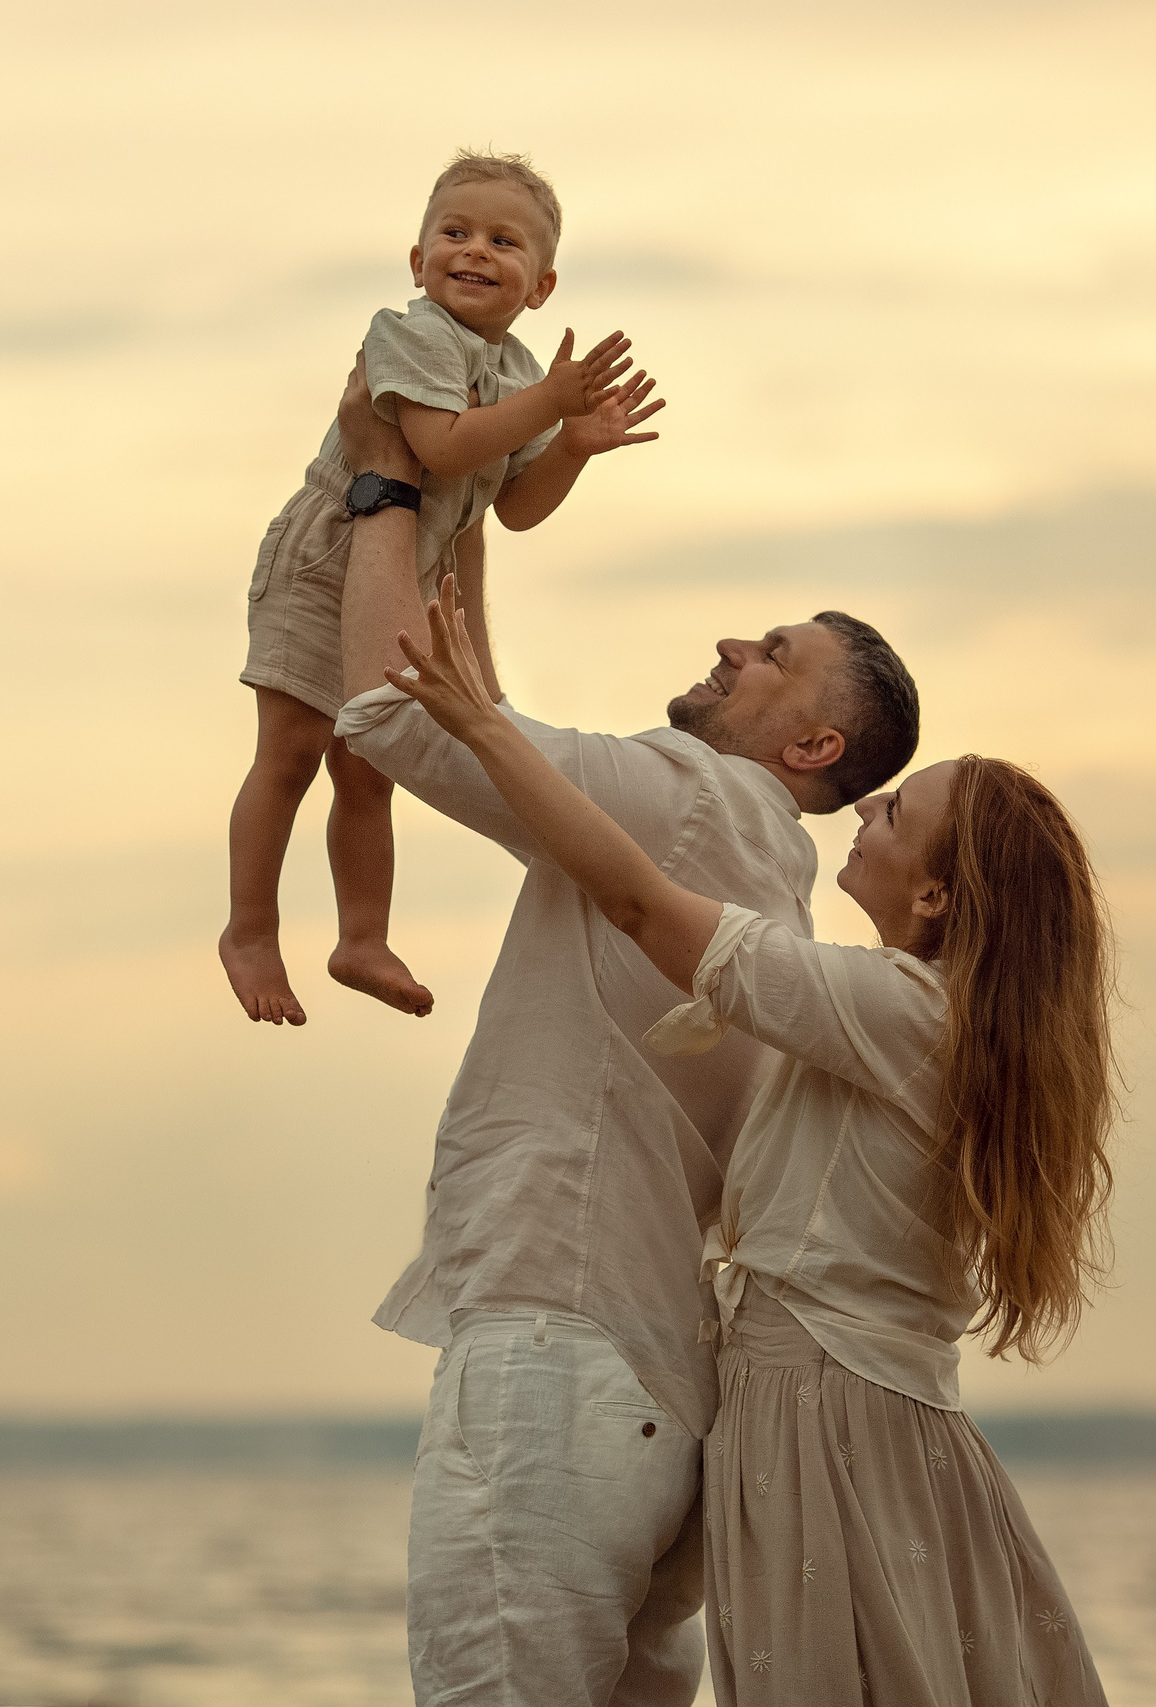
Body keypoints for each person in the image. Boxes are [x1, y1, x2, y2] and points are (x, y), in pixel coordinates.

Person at [381, 579, 1118, 1706]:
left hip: (819, 1412)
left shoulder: (894, 1010)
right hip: (781, 1399)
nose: (857, 821)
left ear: (930, 895)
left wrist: (483, 725)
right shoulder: (893, 1016)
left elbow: (636, 901)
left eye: (890, 815)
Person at [332, 368, 921, 1704]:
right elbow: (473, 691)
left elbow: (389, 706)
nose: (734, 645)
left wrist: (382, 480)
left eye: (775, 653)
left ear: (815, 740)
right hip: (651, 1392)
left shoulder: (691, 800)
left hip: (557, 1362)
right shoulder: (759, 870)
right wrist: (466, 488)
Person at [221, 148, 663, 1026]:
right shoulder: (409, 332)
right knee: (294, 748)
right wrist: (549, 408)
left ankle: (361, 936)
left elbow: (516, 509)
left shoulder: (525, 373)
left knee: (370, 760)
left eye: (505, 241)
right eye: (454, 233)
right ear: (419, 261)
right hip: (328, 553)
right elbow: (440, 447)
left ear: (540, 286)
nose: (475, 251)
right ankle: (250, 929)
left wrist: (573, 441)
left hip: (407, 568)